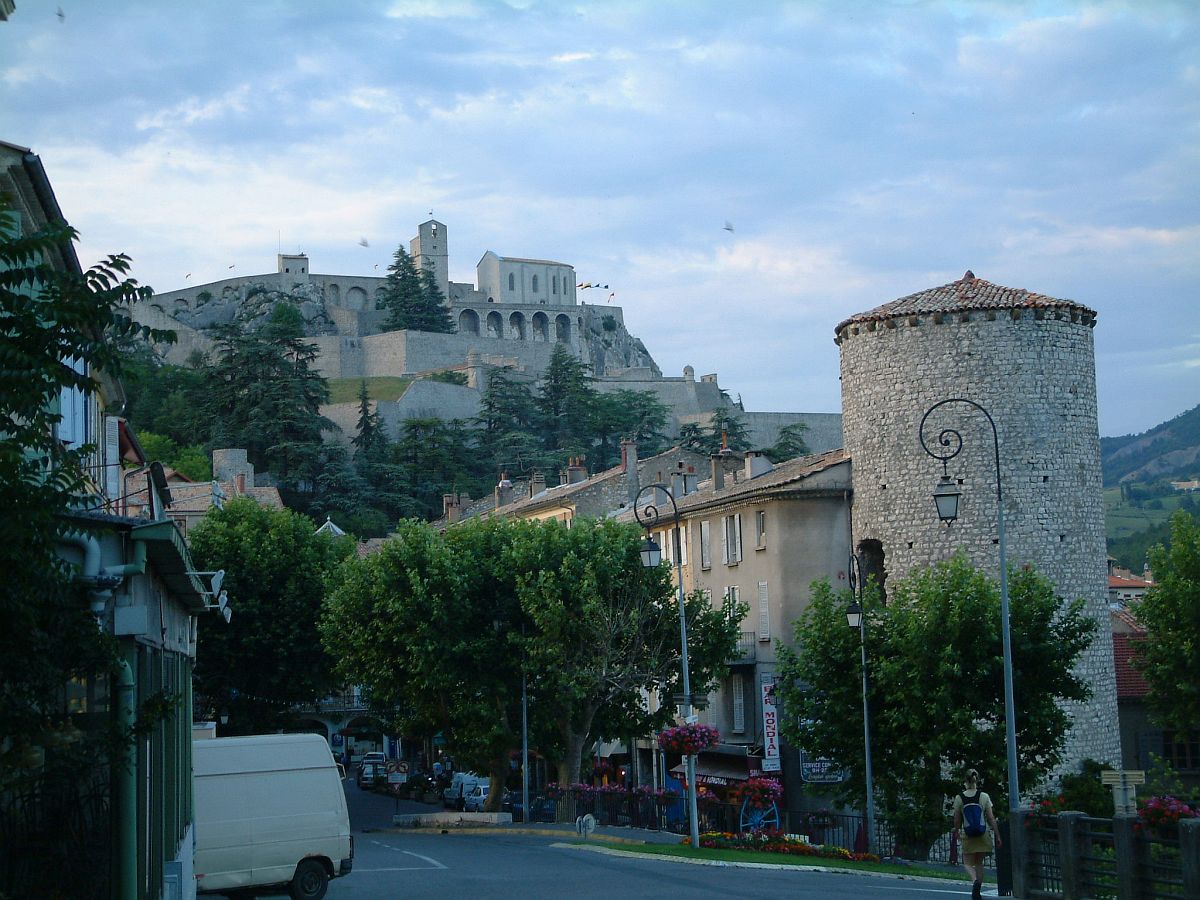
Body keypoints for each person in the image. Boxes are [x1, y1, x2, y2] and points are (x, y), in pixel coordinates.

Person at [952, 768, 1000, 900]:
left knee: (967, 863)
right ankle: (977, 891)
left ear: (965, 781)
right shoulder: (984, 796)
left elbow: (957, 819)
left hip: (968, 834)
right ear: (977, 780)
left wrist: (956, 830)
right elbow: (990, 818)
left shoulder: (959, 798)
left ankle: (975, 882)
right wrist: (997, 835)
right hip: (982, 834)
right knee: (979, 863)